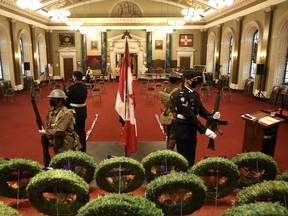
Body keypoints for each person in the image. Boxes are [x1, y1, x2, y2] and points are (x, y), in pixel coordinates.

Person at [173, 69, 220, 167]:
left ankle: (189, 179)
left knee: (191, 159)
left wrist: (211, 116)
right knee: (182, 160)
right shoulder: (181, 95)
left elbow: (201, 110)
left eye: (196, 79)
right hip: (183, 130)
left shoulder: (195, 93)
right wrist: (205, 130)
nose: (196, 81)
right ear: (186, 80)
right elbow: (189, 115)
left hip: (192, 130)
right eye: (193, 79)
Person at [39, 89, 81, 155]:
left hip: (66, 144)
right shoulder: (51, 113)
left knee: (66, 163)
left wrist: (46, 133)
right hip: (57, 142)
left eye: (54, 99)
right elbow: (49, 126)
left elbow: (60, 130)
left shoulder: (65, 113)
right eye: (51, 98)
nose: (51, 100)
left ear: (61, 100)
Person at [65, 71, 88, 152]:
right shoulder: (85, 87)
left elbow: (66, 101)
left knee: (72, 131)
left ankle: (73, 149)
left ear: (75, 77)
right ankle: (83, 149)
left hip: (73, 113)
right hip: (83, 112)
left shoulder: (71, 88)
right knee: (81, 131)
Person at [159, 72, 182, 150]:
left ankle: (168, 149)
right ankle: (170, 151)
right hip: (174, 115)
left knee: (168, 133)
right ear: (178, 81)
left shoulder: (165, 89)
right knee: (173, 135)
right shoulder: (178, 92)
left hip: (165, 113)